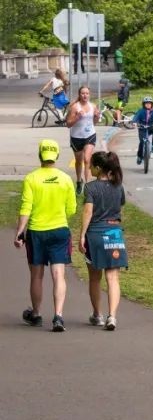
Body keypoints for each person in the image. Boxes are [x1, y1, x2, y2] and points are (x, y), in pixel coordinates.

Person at [15, 139, 77, 332]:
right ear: (57, 156)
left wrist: (20, 231)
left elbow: (26, 207)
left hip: (36, 232)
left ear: (40, 155)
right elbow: (72, 209)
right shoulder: (65, 179)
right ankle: (58, 316)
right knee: (59, 275)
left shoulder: (31, 178)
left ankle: (36, 314)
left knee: (37, 276)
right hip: (59, 230)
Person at [80, 151, 127, 330]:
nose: (89, 168)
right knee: (113, 277)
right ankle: (112, 316)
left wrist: (82, 235)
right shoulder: (118, 186)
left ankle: (97, 314)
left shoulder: (91, 188)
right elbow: (120, 204)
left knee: (94, 277)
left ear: (98, 168)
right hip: (115, 233)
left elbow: (87, 212)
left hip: (95, 235)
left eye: (91, 165)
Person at [66, 85, 100, 194]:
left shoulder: (93, 106)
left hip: (90, 135)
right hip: (76, 137)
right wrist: (77, 117)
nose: (85, 95)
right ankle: (79, 181)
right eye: (83, 93)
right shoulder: (75, 107)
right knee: (79, 161)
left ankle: (88, 185)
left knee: (87, 159)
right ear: (79, 95)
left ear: (89, 95)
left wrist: (96, 116)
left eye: (87, 93)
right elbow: (68, 124)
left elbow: (94, 123)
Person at [132, 96, 153, 164]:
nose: (148, 105)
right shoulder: (140, 111)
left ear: (152, 104)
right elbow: (135, 117)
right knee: (142, 142)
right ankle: (139, 156)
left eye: (149, 103)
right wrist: (134, 122)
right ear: (143, 104)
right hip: (142, 128)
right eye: (146, 103)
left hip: (150, 127)